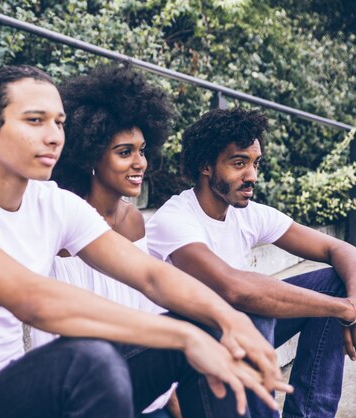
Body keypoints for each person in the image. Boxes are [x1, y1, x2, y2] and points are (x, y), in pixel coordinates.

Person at [0, 65, 292, 418]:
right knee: (92, 360)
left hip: (29, 386)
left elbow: (151, 276)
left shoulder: (54, 203)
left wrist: (227, 318)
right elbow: (32, 300)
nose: (52, 136)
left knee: (214, 325)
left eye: (59, 122)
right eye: (35, 120)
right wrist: (182, 336)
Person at [145, 108, 356, 417]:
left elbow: (341, 250)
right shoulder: (174, 219)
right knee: (252, 309)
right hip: (182, 351)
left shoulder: (249, 214)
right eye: (239, 163)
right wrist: (343, 310)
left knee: (332, 282)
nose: (252, 176)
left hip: (232, 334)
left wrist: (352, 302)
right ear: (206, 165)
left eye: (255, 163)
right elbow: (235, 289)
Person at [30, 65, 179, 418]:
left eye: (142, 150)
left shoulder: (133, 219)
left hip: (140, 381)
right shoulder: (63, 220)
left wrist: (170, 398)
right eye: (125, 152)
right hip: (81, 382)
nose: (140, 162)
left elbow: (146, 304)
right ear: (91, 155)